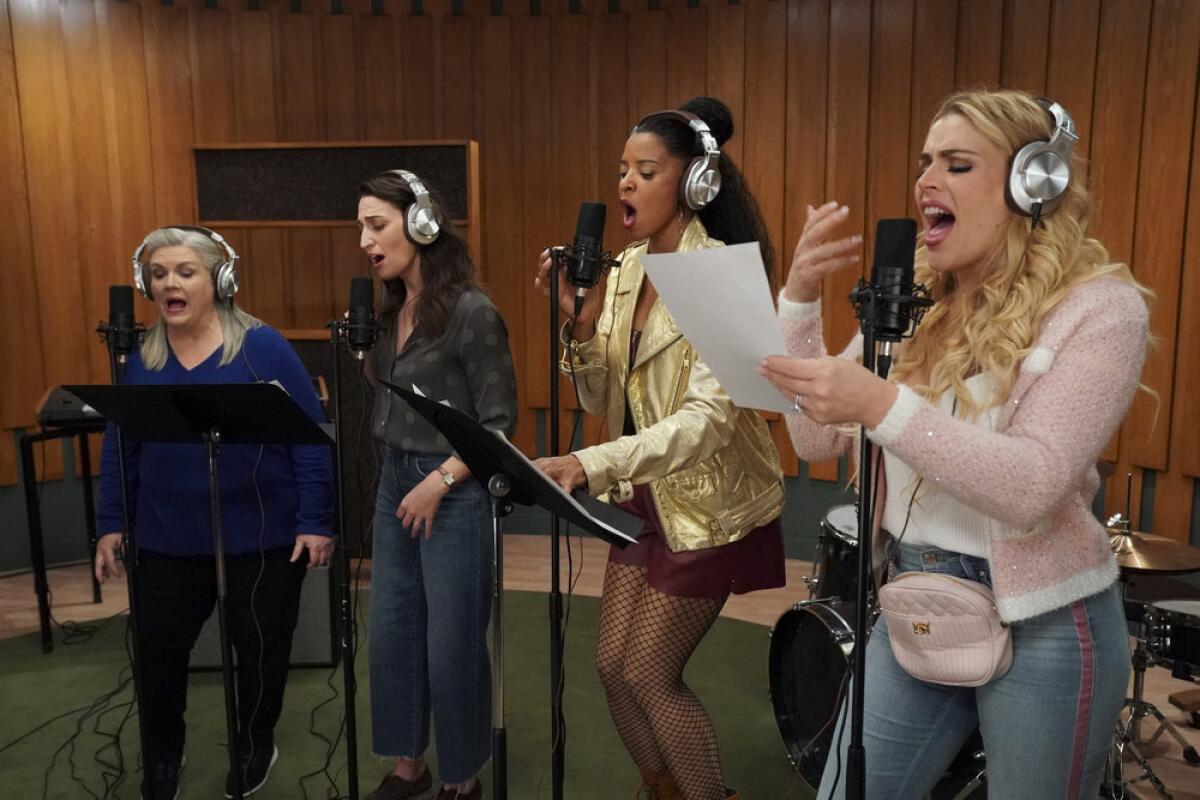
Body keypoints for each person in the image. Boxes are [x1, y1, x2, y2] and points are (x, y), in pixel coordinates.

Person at [761, 89, 1150, 799]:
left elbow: (1033, 485)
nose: (926, 181)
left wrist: (881, 402)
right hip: (917, 602)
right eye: (925, 162)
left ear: (1033, 184)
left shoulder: (1101, 309)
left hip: (1048, 627)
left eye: (957, 164)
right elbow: (815, 434)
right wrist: (799, 299)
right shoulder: (915, 300)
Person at [534, 96, 786, 800]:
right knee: (612, 669)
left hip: (709, 504)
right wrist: (580, 328)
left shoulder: (727, 278)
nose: (625, 183)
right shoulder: (626, 269)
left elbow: (709, 420)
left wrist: (591, 462)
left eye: (645, 170)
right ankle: (662, 791)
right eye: (622, 170)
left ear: (695, 184)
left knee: (648, 672)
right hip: (641, 494)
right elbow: (599, 399)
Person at [95, 226, 334, 800]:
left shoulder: (263, 347)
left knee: (259, 651)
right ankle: (162, 759)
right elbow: (120, 445)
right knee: (158, 658)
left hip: (261, 538)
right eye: (159, 274)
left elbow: (308, 438)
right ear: (145, 283)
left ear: (219, 280)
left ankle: (255, 744)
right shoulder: (143, 358)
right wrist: (111, 522)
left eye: (185, 271)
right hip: (164, 541)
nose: (169, 284)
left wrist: (315, 520)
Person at [358, 169, 517, 800]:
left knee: (451, 642)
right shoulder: (393, 310)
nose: (366, 241)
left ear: (421, 223)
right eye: (361, 228)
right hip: (394, 479)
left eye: (376, 224)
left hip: (453, 491)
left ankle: (460, 777)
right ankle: (407, 766)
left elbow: (497, 427)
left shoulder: (473, 312)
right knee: (393, 632)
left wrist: (441, 481)